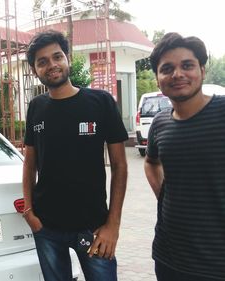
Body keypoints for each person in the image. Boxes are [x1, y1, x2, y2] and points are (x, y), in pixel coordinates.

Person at [22, 30, 128, 281]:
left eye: (57, 56)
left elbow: (120, 166)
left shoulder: (100, 102)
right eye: (42, 61)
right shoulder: (36, 107)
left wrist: (113, 225)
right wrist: (29, 212)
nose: (51, 65)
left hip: (93, 228)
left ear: (67, 58)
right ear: (35, 70)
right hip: (46, 227)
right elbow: (29, 164)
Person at [144, 32, 225, 281]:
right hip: (169, 257)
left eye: (187, 65)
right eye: (167, 68)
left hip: (216, 262)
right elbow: (150, 162)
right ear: (158, 80)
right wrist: (165, 196)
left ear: (201, 70)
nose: (177, 74)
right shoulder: (160, 123)